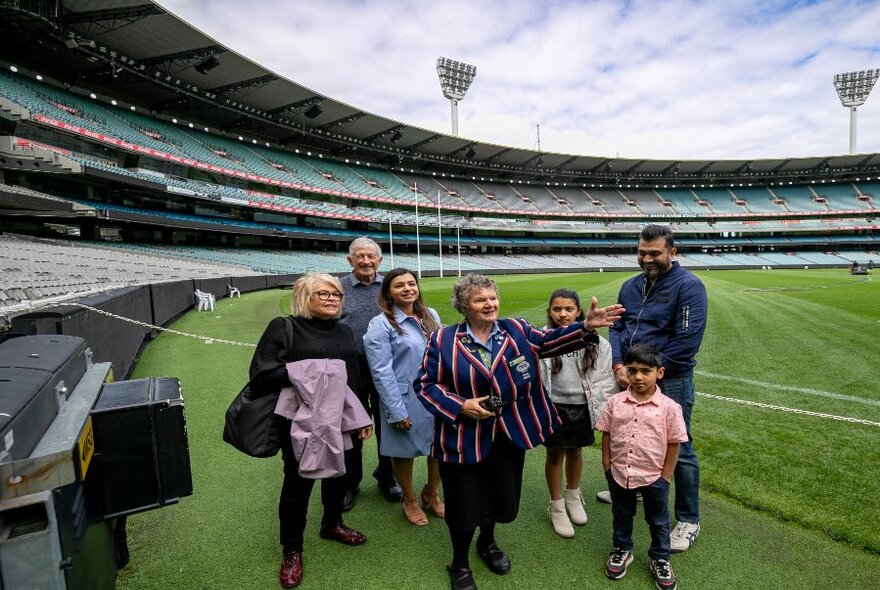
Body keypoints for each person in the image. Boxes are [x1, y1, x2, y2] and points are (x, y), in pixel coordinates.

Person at [416, 273, 623, 590]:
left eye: (492, 297)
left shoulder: (516, 330)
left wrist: (584, 327)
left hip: (507, 435)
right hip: (462, 438)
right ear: (463, 305)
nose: (490, 304)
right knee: (463, 502)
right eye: (480, 299)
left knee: (499, 496)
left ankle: (487, 543)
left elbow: (548, 342)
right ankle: (459, 562)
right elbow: (426, 385)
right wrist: (461, 405)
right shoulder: (442, 339)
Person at [249, 272, 373, 589]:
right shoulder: (285, 327)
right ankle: (292, 549)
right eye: (324, 294)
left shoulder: (344, 331)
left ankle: (332, 523)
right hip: (299, 421)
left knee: (339, 475)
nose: (333, 299)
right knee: (298, 484)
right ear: (306, 296)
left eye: (336, 295)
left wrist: (362, 417)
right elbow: (261, 376)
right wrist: (313, 371)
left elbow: (353, 376)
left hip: (342, 418)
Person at [608, 224, 708, 554]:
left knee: (679, 447)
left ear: (672, 252)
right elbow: (618, 327)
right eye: (642, 253)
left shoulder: (689, 286)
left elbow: (686, 342)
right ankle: (633, 483)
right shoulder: (630, 286)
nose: (647, 258)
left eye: (654, 253)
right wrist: (620, 365)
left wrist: (647, 373)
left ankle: (689, 519)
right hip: (631, 376)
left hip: (672, 379)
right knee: (629, 433)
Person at [596, 343, 688, 590]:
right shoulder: (615, 402)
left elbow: (674, 443)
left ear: (659, 373)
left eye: (645, 371)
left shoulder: (670, 408)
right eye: (632, 369)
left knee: (658, 520)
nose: (637, 376)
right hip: (619, 474)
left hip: (654, 476)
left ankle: (660, 558)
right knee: (622, 514)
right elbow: (606, 434)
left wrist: (666, 476)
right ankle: (622, 549)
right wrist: (607, 465)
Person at [363, 268, 445, 526]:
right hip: (404, 397)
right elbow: (380, 371)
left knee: (439, 447)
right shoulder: (381, 324)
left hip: (436, 395)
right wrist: (395, 410)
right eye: (400, 285)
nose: (408, 288)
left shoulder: (430, 315)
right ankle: (408, 499)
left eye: (412, 283)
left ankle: (431, 494)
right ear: (388, 293)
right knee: (403, 451)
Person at [539, 288, 618, 538]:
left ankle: (573, 495)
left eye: (569, 309)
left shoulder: (597, 342)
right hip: (554, 407)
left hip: (582, 408)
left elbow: (606, 379)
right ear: (550, 311)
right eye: (557, 309)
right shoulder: (542, 338)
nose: (563, 314)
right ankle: (556, 505)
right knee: (554, 455)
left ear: (579, 311)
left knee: (576, 452)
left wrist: (604, 412)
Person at [340, 237, 402, 509]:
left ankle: (387, 474)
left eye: (371, 256)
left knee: (387, 421)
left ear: (380, 260)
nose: (366, 261)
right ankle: (351, 481)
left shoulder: (391, 285)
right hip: (350, 367)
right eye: (360, 256)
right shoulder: (338, 287)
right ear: (350, 260)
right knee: (352, 423)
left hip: (387, 365)